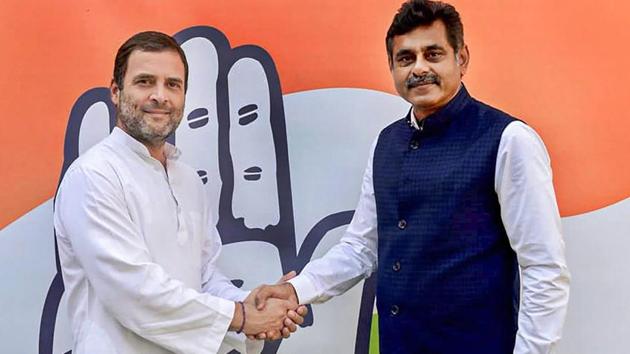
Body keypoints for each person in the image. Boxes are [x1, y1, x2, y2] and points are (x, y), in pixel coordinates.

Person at [253, 1, 570, 353]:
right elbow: (361, 247)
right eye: (406, 58)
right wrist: (298, 290)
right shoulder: (386, 142)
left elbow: (543, 269)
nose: (419, 68)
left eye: (433, 54)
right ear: (391, 66)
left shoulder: (509, 140)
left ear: (461, 59)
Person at [53, 31, 304, 354]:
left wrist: (249, 303)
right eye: (145, 82)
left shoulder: (187, 179)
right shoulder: (93, 176)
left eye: (173, 84)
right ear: (115, 91)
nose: (160, 96)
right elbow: (134, 292)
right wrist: (242, 317)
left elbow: (203, 277)